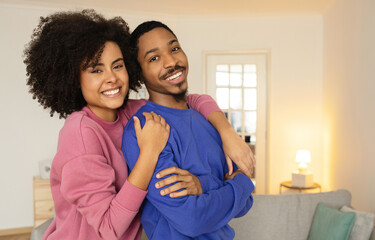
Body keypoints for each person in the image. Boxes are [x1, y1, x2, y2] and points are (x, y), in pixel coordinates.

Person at [23, 10, 253, 240]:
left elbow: (189, 100)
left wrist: (227, 132)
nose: (111, 77)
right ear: (74, 78)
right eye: (96, 70)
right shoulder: (80, 133)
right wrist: (150, 152)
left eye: (117, 65)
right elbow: (107, 228)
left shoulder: (127, 111)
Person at [122, 21, 255, 239]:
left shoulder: (209, 120)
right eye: (154, 58)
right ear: (139, 74)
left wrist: (203, 185)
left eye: (174, 48)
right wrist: (239, 182)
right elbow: (192, 219)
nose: (171, 61)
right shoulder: (145, 128)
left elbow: (245, 204)